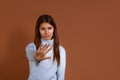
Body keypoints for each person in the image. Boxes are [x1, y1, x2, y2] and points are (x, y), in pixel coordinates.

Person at [25, 14, 66, 80]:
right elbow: (30, 54)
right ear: (38, 30)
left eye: (49, 28)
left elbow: (61, 74)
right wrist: (36, 57)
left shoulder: (60, 50)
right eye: (43, 29)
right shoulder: (32, 46)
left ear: (54, 29)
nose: (46, 32)